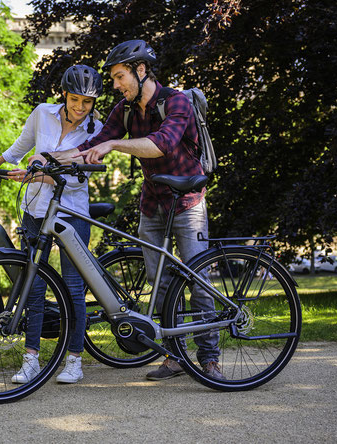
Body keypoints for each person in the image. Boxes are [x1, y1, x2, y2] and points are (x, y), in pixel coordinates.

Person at [56, 40, 223, 380]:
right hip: (153, 204)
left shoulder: (176, 102)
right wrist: (49, 160)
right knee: (158, 282)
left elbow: (161, 143)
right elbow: (91, 144)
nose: (115, 86)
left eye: (120, 78)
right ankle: (175, 358)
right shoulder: (126, 109)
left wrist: (114, 144)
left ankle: (210, 361)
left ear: (141, 70)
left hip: (188, 203)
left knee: (198, 281)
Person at [0, 64, 104, 384]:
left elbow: (79, 181)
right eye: (76, 99)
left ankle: (74, 359)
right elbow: (22, 145)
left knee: (72, 288)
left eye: (87, 102)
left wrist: (39, 172)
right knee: (34, 286)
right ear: (64, 93)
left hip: (71, 214)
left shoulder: (96, 130)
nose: (80, 108)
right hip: (35, 208)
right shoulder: (42, 113)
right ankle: (31, 359)